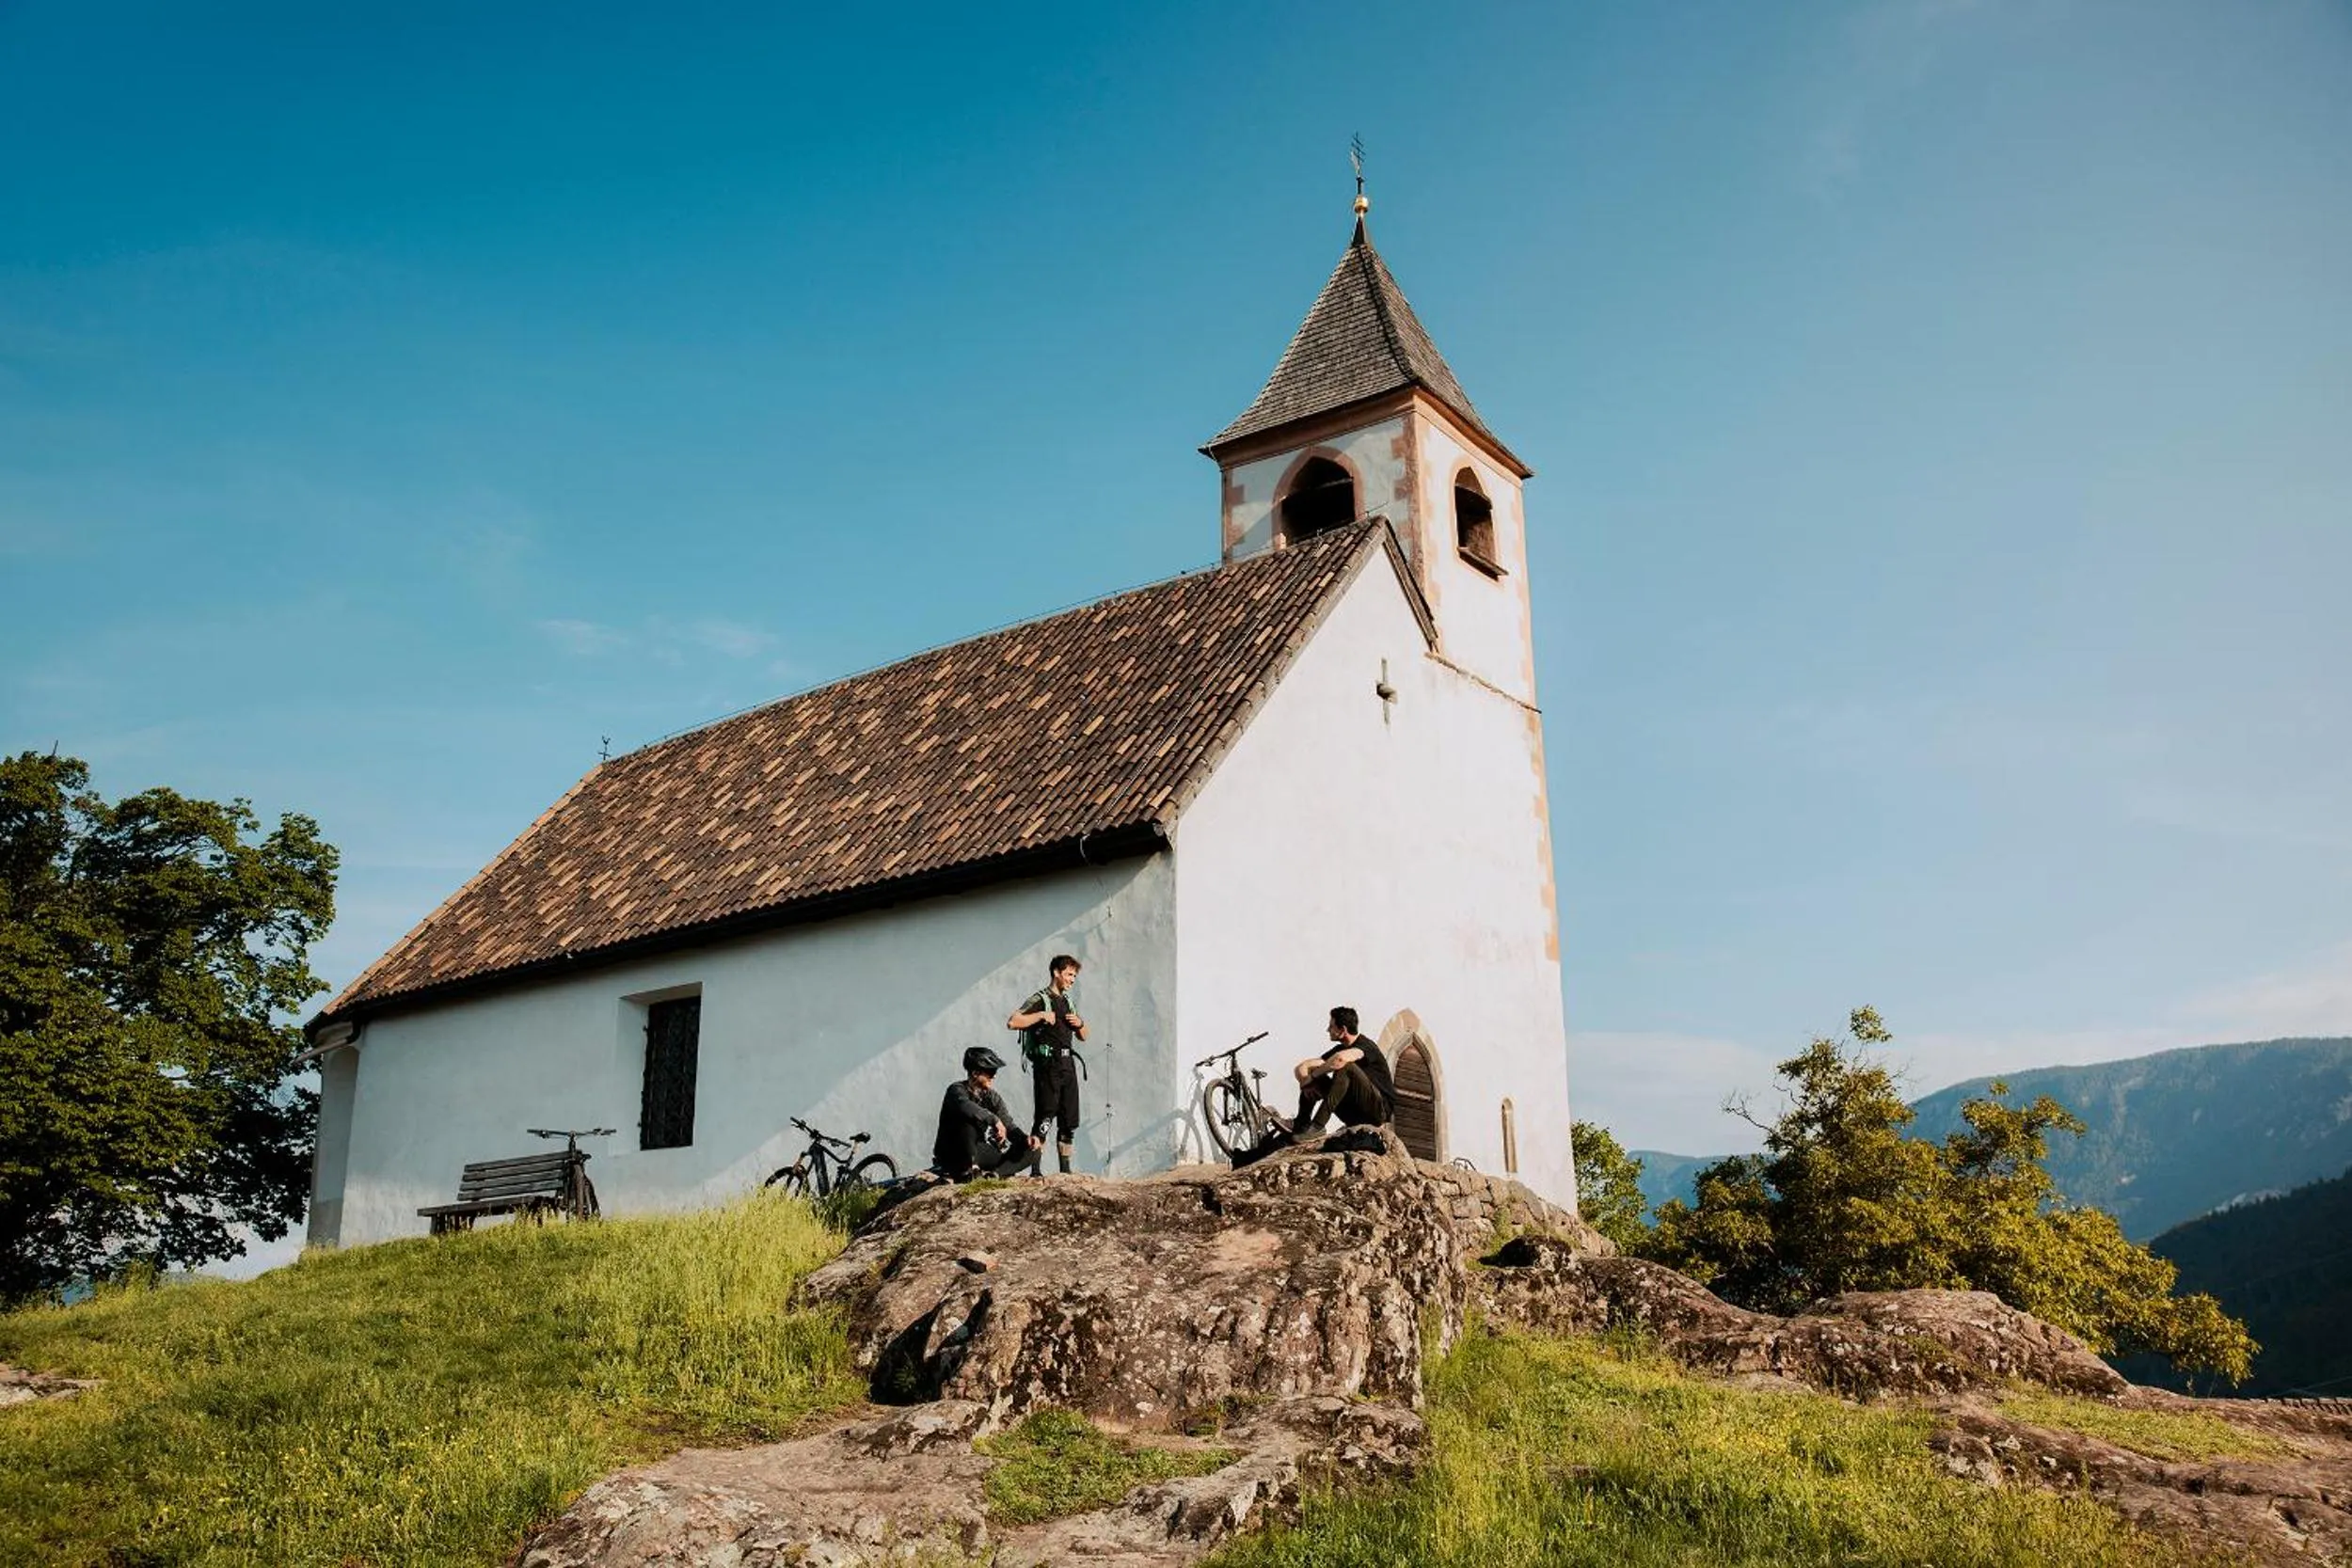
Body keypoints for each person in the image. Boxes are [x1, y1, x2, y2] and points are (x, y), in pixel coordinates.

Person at [1232, 1006, 1397, 1167]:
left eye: (1331, 1026)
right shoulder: (1340, 1048)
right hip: (1354, 1114)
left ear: (1343, 1029)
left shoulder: (1366, 1046)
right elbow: (1303, 1067)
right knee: (1317, 1077)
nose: (1327, 1030)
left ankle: (1317, 1126)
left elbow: (1340, 1060)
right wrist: (1307, 1081)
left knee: (1345, 1067)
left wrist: (1312, 1076)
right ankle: (1301, 1123)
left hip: (1377, 1111)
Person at [1007, 954, 1089, 1173]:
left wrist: (1080, 1023)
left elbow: (1084, 1036)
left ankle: (1065, 1170)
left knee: (1068, 1118)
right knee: (1045, 1115)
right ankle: (1036, 1170)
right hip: (1047, 1066)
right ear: (1056, 972)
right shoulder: (1040, 999)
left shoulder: (1068, 1002)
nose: (1072, 980)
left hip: (1067, 1063)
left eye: (1074, 976)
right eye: (1069, 974)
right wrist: (1041, 1015)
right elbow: (1013, 1021)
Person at [932, 1046, 1043, 1180]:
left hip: (978, 1150)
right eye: (990, 1072)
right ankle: (969, 1170)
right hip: (954, 1151)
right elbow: (966, 1107)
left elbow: (1008, 1125)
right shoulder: (956, 1090)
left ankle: (994, 1175)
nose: (994, 1076)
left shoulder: (992, 1097)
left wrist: (1027, 1140)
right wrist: (993, 1120)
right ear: (975, 1073)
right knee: (968, 1120)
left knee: (1033, 1150)